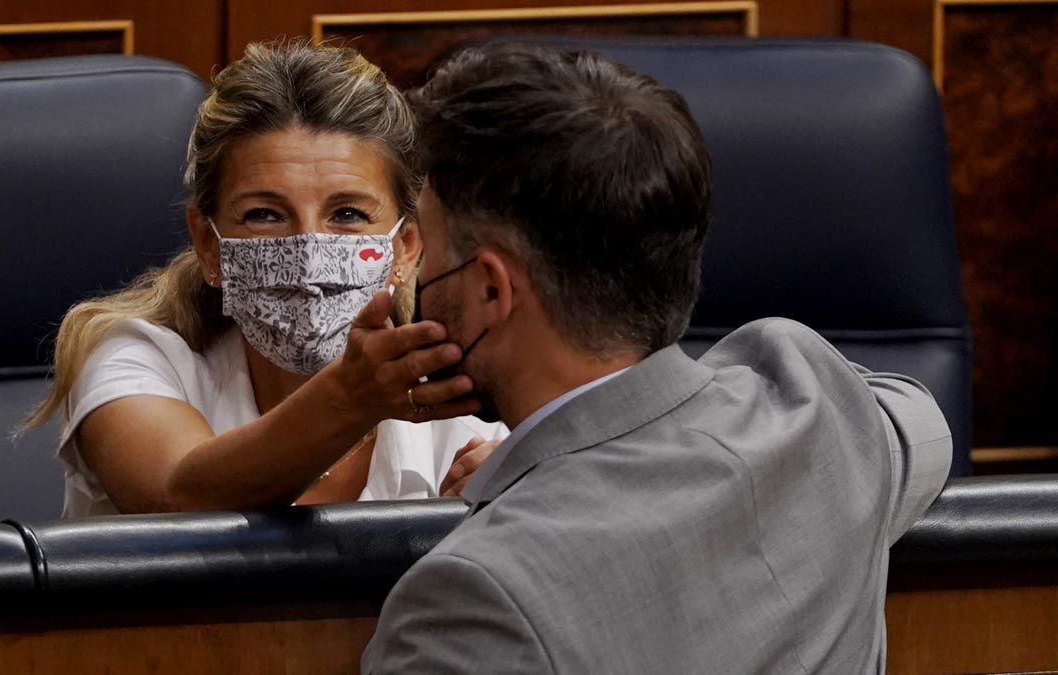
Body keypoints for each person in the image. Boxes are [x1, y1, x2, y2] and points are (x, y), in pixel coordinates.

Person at [362, 45, 952, 673]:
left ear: (490, 290)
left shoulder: (475, 603)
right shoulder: (814, 404)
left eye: (427, 242)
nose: (414, 274)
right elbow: (921, 418)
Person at [19, 41, 504, 518]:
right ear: (209, 246)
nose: (309, 251)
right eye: (265, 215)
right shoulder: (137, 360)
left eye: (349, 213)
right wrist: (348, 402)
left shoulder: (457, 406)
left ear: (405, 247)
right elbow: (175, 498)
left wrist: (497, 512)